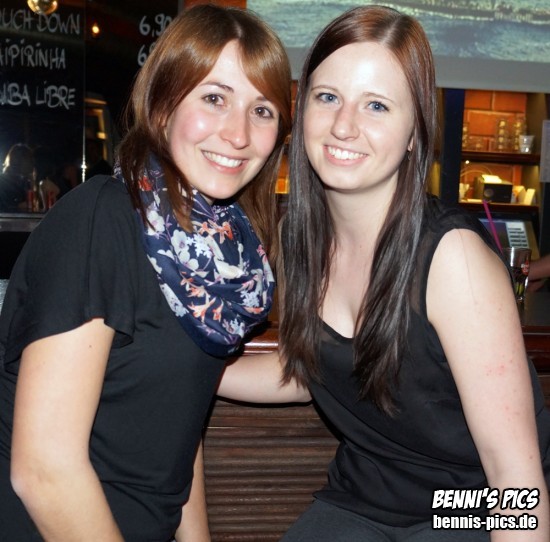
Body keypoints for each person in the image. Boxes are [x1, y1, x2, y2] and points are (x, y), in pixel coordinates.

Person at [218, 5, 550, 541]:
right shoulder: (298, 238)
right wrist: (199, 372)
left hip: (469, 504)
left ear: (416, 132)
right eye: (328, 97)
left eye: (376, 105)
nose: (344, 125)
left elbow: (514, 474)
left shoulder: (453, 260)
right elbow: (314, 371)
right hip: (365, 498)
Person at [0, 4, 290, 541]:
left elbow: (174, 430)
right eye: (214, 98)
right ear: (162, 104)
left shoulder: (219, 254)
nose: (239, 133)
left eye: (262, 109)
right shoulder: (101, 218)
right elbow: (44, 472)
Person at [0, 143, 34, 212]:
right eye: (29, 159)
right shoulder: (2, 181)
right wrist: (16, 206)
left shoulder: (26, 181)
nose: (32, 163)